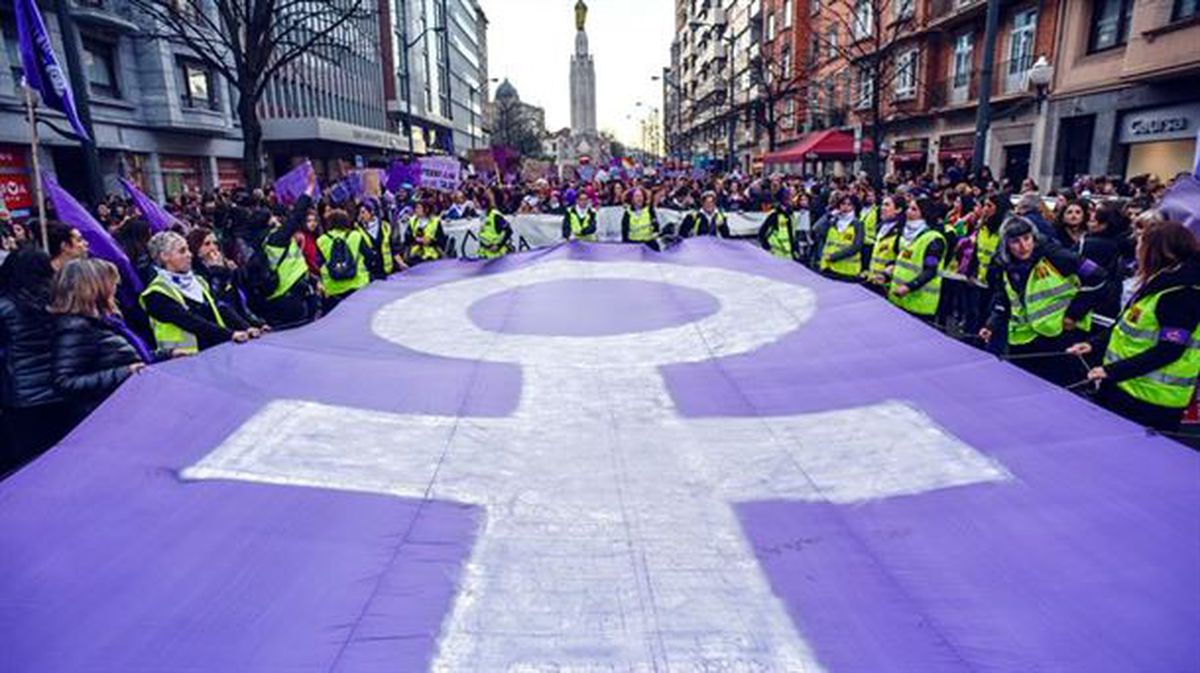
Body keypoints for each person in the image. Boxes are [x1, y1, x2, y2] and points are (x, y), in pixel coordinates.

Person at [1067, 221, 1200, 432]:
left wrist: (1111, 371)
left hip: (1150, 400)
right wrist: (1094, 345)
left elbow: (1169, 351)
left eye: (1141, 242)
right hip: (1125, 387)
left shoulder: (1181, 294)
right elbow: (1126, 325)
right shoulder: (1159, 282)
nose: (1136, 248)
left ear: (1158, 252)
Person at [980, 216, 1108, 385]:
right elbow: (1004, 297)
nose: (1023, 246)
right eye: (1015, 241)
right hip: (1023, 340)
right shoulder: (1003, 265)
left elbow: (1099, 277)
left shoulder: (1057, 256)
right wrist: (992, 324)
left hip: (1059, 337)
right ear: (1006, 244)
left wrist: (1073, 314)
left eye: (1027, 238)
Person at [50, 258, 153, 425]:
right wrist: (123, 372)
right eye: (111, 284)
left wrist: (166, 355)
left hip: (121, 407)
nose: (115, 289)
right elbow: (65, 382)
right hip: (104, 416)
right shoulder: (77, 328)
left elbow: (129, 356)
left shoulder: (106, 321)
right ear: (94, 288)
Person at [0, 248, 68, 469]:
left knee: (34, 465)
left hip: (24, 397)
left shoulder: (5, 307)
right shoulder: (60, 300)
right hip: (64, 388)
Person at [140, 231, 256, 354]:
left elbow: (221, 308)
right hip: (183, 361)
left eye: (188, 250)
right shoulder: (155, 294)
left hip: (216, 349)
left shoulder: (198, 281)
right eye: (182, 251)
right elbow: (190, 321)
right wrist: (230, 334)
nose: (189, 255)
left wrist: (246, 327)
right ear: (164, 256)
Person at [187, 227, 267, 331]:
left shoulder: (227, 268)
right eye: (207, 244)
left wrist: (257, 323)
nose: (213, 248)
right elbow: (218, 302)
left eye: (215, 243)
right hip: (222, 330)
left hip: (243, 324)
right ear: (196, 248)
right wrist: (217, 271)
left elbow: (239, 302)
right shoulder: (196, 275)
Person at [888, 198, 946, 321]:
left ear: (925, 213)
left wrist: (909, 287)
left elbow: (931, 270)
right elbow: (903, 260)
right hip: (898, 298)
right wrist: (888, 270)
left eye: (914, 209)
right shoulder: (906, 234)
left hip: (920, 303)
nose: (908, 212)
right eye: (909, 208)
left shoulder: (934, 240)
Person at [319, 208, 373, 311]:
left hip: (332, 288)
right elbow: (369, 255)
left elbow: (318, 263)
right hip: (358, 284)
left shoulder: (321, 240)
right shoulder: (356, 236)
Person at [812, 193, 866, 281]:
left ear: (854, 207)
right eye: (843, 204)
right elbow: (816, 229)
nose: (845, 207)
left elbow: (856, 246)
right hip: (829, 268)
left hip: (847, 270)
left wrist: (834, 256)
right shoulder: (834, 221)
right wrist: (829, 215)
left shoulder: (858, 224)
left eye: (849, 205)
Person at [864, 194, 906, 291]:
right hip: (873, 281)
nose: (882, 208)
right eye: (882, 205)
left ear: (898, 210)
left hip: (888, 285)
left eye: (887, 205)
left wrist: (886, 275)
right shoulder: (881, 227)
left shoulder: (902, 232)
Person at [357, 201, 402, 280]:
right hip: (370, 273)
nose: (361, 216)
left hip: (387, 270)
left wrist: (401, 263)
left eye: (363, 212)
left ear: (371, 212)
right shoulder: (357, 230)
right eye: (359, 213)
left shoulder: (385, 226)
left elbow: (393, 247)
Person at [402, 200, 448, 265]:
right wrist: (416, 240)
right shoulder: (412, 221)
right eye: (416, 208)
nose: (416, 210)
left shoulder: (435, 221)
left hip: (432, 254)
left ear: (426, 209)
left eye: (419, 208)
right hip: (416, 254)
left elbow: (441, 239)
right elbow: (407, 238)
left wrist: (431, 241)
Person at [758, 188, 796, 260]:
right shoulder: (774, 215)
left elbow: (792, 233)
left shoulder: (790, 214)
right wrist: (767, 247)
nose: (790, 201)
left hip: (788, 254)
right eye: (787, 199)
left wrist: (794, 248)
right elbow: (762, 233)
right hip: (775, 254)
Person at [478, 191, 514, 258]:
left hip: (496, 255)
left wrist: (498, 245)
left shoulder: (496, 215)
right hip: (484, 254)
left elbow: (509, 231)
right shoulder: (482, 216)